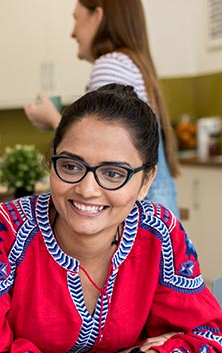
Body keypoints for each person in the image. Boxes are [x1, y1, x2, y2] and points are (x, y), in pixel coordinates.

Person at [0, 84, 222, 353]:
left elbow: (209, 345)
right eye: (70, 166)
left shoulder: (161, 232)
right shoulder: (5, 231)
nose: (87, 189)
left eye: (113, 173)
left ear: (146, 181)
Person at [23, 0, 180, 216]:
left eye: (76, 18)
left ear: (98, 16)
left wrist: (52, 118)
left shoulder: (111, 65)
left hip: (138, 218)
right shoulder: (132, 63)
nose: (72, 32)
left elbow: (99, 145)